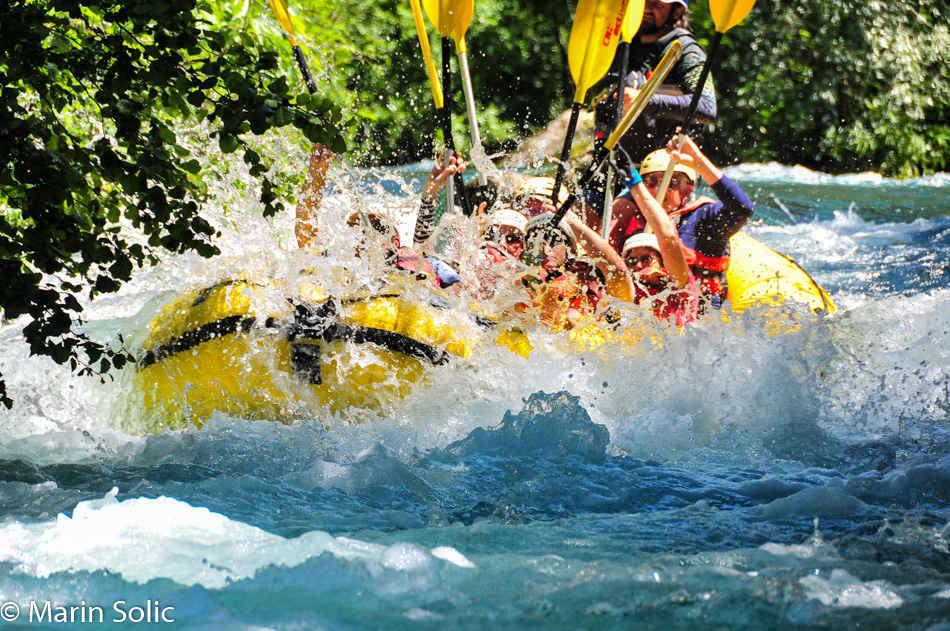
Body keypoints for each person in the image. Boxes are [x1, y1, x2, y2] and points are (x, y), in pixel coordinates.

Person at [605, 132, 754, 310]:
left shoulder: (705, 219)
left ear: (689, 188)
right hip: (646, 311)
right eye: (651, 182)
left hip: (696, 313)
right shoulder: (633, 217)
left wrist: (698, 162)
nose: (660, 188)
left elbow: (743, 209)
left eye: (671, 182)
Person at [591, 0, 716, 178]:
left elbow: (707, 107)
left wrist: (644, 100)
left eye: (656, 4)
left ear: (676, 11)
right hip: (613, 168)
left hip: (662, 177)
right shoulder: (622, 48)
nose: (646, 9)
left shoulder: (687, 52)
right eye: (643, 2)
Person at [565, 172, 699, 326]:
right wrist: (570, 220)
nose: (639, 265)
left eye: (647, 259)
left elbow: (668, 239)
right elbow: (615, 269)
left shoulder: (679, 289)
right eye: (631, 260)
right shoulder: (625, 295)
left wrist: (635, 182)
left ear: (662, 263)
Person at [518, 213, 605, 330]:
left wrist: (537, 285)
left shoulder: (583, 280)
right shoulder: (519, 279)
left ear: (571, 247)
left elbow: (568, 327)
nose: (545, 248)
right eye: (536, 242)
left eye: (553, 240)